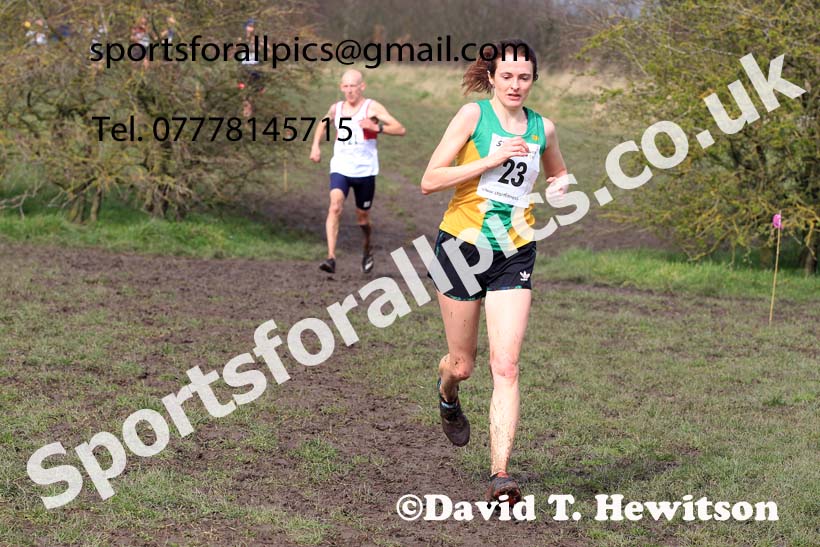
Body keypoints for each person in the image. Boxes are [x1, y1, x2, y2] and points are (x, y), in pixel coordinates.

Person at [420, 39, 569, 503]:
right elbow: (429, 180)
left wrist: (561, 186)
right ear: (491, 77)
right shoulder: (472, 117)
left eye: (524, 77)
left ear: (533, 79)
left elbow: (557, 173)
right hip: (463, 246)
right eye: (507, 76)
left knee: (505, 366)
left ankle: (500, 474)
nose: (515, 84)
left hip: (516, 249)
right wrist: (491, 158)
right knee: (463, 366)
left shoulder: (544, 127)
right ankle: (447, 394)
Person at [310, 69, 405, 274]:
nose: (349, 90)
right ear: (341, 87)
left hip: (365, 170)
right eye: (346, 86)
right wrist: (315, 146)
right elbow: (323, 123)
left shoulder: (372, 107)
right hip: (341, 167)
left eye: (353, 86)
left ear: (362, 86)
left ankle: (367, 246)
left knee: (362, 218)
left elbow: (400, 128)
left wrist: (375, 127)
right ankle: (331, 257)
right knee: (335, 206)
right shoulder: (336, 109)